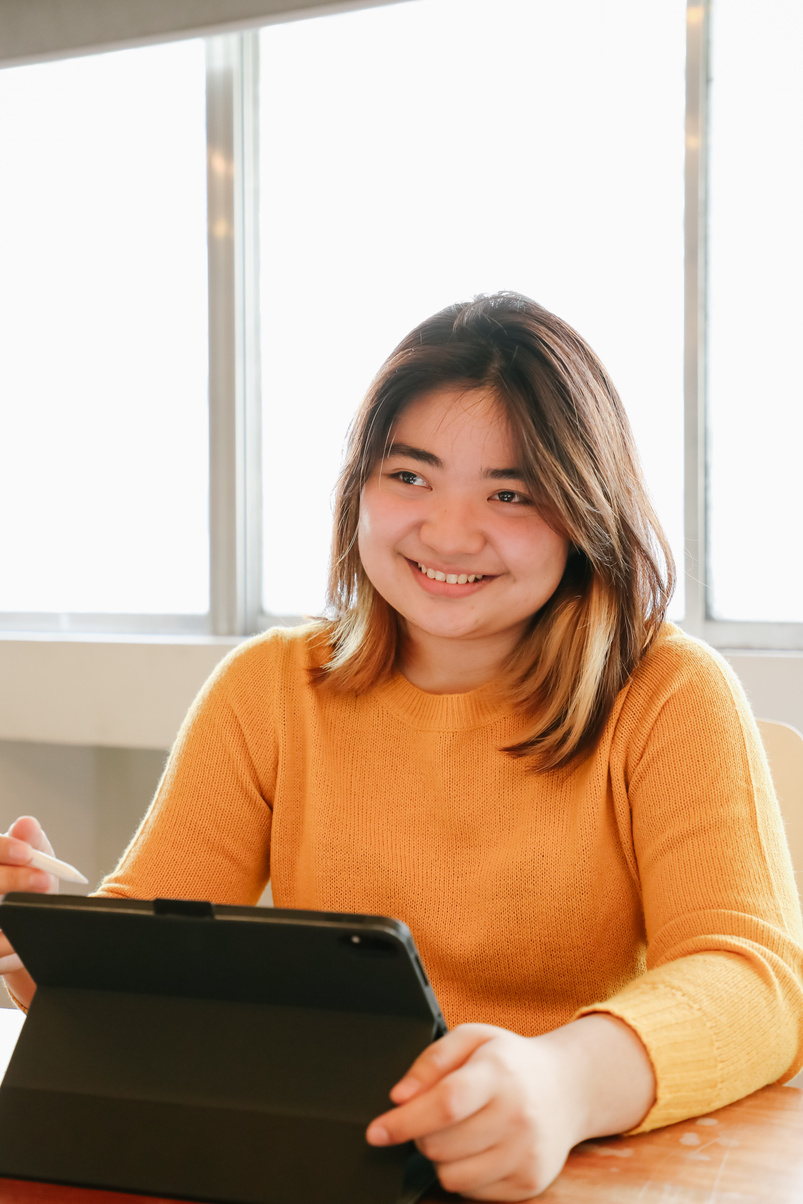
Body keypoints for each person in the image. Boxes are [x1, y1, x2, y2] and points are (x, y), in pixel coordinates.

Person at [2, 292, 802, 1199]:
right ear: (359, 491)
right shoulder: (266, 687)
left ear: (584, 510)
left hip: (584, 1168)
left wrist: (562, 1081)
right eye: (409, 476)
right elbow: (164, 984)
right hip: (332, 1164)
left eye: (511, 493)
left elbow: (754, 982)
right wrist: (60, 949)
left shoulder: (668, 692)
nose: (449, 532)